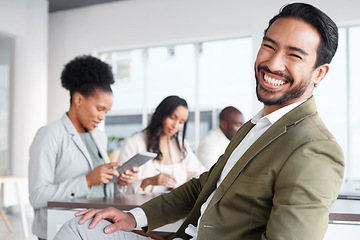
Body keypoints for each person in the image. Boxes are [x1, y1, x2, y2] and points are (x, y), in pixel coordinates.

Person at [54, 3, 345, 240]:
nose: (273, 63)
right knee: (79, 228)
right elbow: (204, 186)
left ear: (319, 73)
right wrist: (135, 217)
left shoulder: (314, 148)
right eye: (269, 46)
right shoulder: (255, 127)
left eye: (294, 55)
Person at [28, 55, 138, 240]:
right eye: (99, 109)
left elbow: (100, 191)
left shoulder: (98, 137)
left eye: (106, 112)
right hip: (59, 228)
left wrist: (118, 183)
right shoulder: (49, 134)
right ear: (79, 100)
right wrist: (87, 180)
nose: (103, 117)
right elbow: (37, 196)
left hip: (94, 228)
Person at [118, 95, 206, 194]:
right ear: (161, 114)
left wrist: (189, 184)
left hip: (175, 206)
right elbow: (120, 186)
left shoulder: (181, 145)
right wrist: (149, 181)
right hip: (141, 206)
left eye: (181, 122)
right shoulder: (134, 143)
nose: (175, 125)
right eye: (172, 118)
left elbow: (201, 173)